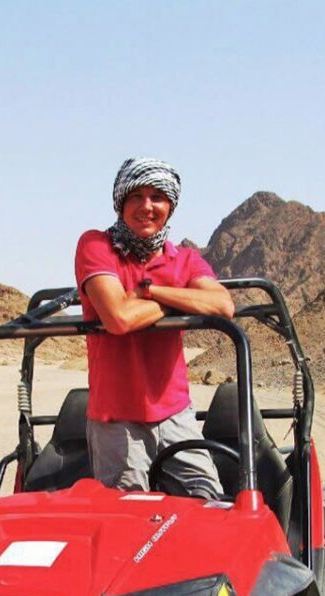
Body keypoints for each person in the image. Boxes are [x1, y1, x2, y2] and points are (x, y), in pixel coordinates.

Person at [74, 157, 234, 499]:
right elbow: (118, 318)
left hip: (175, 414)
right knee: (128, 526)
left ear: (170, 206)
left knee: (209, 507)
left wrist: (151, 292)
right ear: (120, 203)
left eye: (157, 197)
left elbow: (222, 306)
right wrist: (182, 297)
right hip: (117, 422)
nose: (146, 207)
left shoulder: (185, 259)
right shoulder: (97, 246)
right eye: (136, 197)